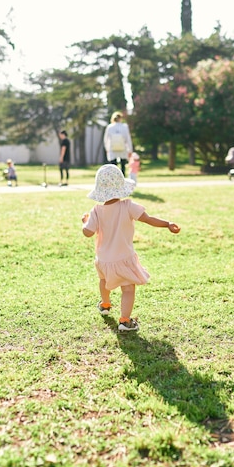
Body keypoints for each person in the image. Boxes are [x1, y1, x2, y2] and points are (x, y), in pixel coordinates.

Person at [82, 164, 181, 332]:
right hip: (123, 259)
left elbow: (88, 233)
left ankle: (105, 305)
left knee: (104, 281)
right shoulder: (128, 206)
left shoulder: (96, 211)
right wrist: (167, 224)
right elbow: (149, 219)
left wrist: (85, 222)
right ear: (121, 187)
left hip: (103, 260)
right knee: (128, 288)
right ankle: (125, 320)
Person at [104, 111, 133, 176]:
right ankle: (122, 179)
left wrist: (107, 148)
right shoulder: (124, 127)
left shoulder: (110, 127)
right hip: (123, 148)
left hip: (112, 148)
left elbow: (106, 139)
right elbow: (128, 139)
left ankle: (114, 179)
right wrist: (130, 150)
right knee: (123, 165)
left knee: (113, 167)